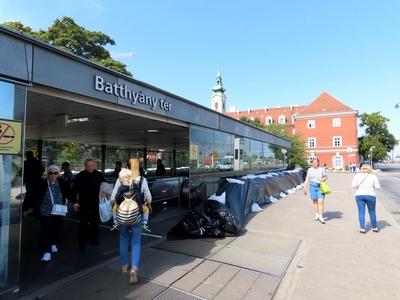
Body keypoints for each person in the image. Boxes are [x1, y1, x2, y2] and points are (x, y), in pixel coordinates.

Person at [111, 158, 152, 284]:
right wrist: (149, 205)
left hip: (123, 216)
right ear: (137, 167)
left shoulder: (120, 179)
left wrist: (114, 211)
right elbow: (148, 196)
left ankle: (124, 265)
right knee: (136, 242)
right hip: (137, 215)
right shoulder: (142, 180)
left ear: (127, 167)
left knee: (123, 239)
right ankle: (134, 268)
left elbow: (113, 198)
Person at [71, 159, 104, 249]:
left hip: (96, 203)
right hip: (84, 203)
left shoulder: (99, 175)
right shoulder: (80, 175)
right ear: (85, 166)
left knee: (95, 223)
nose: (90, 167)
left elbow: (104, 186)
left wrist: (105, 193)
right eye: (88, 165)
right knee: (83, 223)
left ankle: (93, 239)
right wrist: (74, 202)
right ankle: (82, 242)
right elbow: (74, 190)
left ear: (95, 165)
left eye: (92, 165)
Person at [37, 165, 67, 262]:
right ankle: (47, 252)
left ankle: (53, 243)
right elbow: (34, 195)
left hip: (58, 211)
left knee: (56, 228)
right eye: (50, 173)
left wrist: (74, 202)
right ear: (48, 174)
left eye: (55, 173)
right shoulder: (42, 183)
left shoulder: (62, 183)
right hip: (45, 211)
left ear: (58, 174)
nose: (53, 175)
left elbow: (69, 193)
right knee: (46, 230)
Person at [351, 163, 381, 233]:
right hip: (370, 195)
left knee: (361, 212)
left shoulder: (357, 175)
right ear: (370, 168)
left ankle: (362, 229)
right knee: (372, 212)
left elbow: (353, 186)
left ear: (361, 168)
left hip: (359, 195)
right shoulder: (373, 176)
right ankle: (375, 228)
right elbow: (377, 187)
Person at [303, 158, 328, 224]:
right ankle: (317, 214)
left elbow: (326, 177)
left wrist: (322, 180)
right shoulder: (309, 170)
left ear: (318, 163)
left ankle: (321, 217)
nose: (315, 163)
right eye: (313, 162)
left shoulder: (321, 169)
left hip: (320, 186)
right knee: (315, 201)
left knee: (321, 201)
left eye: (316, 162)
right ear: (311, 163)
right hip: (312, 187)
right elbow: (307, 178)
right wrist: (305, 187)